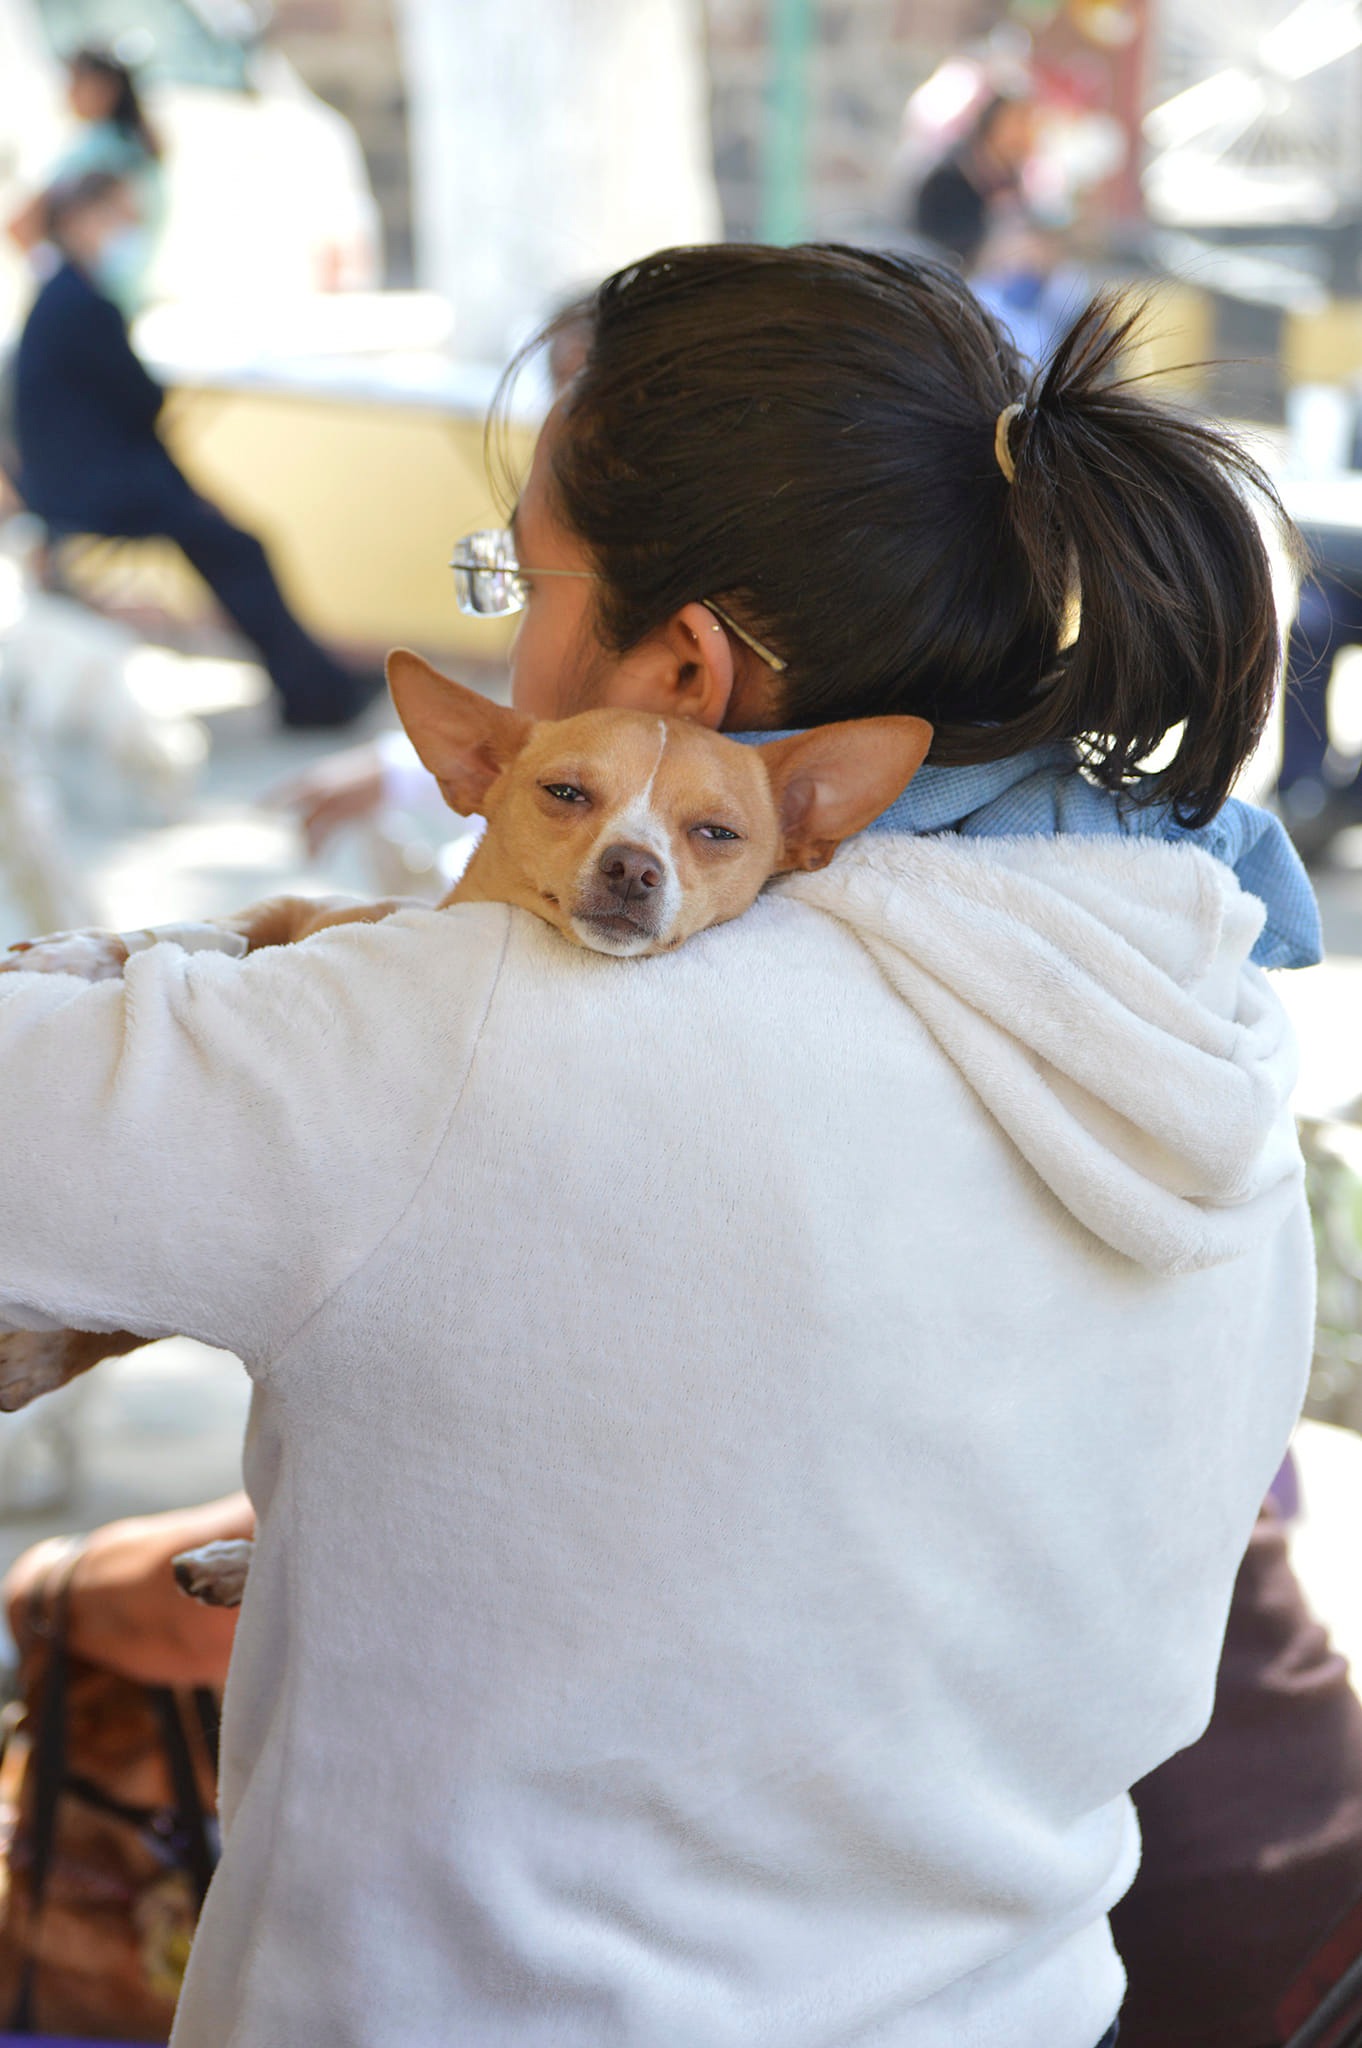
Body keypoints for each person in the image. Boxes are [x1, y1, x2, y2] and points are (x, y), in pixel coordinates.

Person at [0, 246, 1322, 2047]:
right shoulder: (1199, 1030)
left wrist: (220, 969)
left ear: (686, 667)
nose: (505, 640)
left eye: (522, 580)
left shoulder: (477, 1030)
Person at [10, 172, 378, 729]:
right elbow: (138, 399)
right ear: (80, 222)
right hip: (97, 492)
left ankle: (314, 686)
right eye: (117, 218)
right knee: (238, 547)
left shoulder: (65, 296)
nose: (128, 232)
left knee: (231, 544)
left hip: (87, 483)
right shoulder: (79, 304)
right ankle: (314, 693)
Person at [6, 46, 165, 312]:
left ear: (105, 88)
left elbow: (21, 224)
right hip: (119, 304)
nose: (67, 92)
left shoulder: (99, 150)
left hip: (82, 304)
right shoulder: (139, 148)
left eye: (75, 82)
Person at [911, 90, 1036, 270]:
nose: (1025, 134)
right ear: (994, 123)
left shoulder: (1011, 185)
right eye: (1018, 123)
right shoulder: (949, 175)